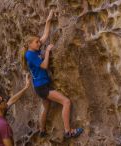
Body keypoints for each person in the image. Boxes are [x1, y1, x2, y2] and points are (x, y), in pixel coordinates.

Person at [20, 9, 83, 139]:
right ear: (29, 44)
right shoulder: (30, 54)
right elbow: (44, 65)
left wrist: (49, 19)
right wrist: (47, 51)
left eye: (38, 42)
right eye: (36, 42)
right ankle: (68, 131)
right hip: (43, 87)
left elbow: (45, 35)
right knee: (66, 102)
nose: (39, 43)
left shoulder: (34, 49)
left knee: (46, 106)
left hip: (40, 86)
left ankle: (42, 130)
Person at [0, 74, 30, 146]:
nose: (5, 100)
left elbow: (11, 100)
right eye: (2, 100)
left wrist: (26, 87)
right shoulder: (2, 125)